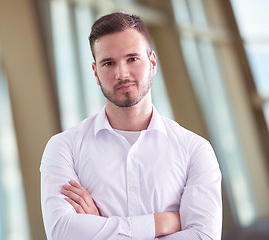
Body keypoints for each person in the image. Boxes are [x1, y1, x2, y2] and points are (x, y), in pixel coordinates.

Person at [40, 12, 222, 240]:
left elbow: (204, 237)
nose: (122, 73)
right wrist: (161, 222)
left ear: (152, 62)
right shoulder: (64, 147)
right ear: (96, 72)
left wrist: (100, 227)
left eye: (132, 59)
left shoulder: (195, 149)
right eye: (108, 63)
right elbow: (62, 232)